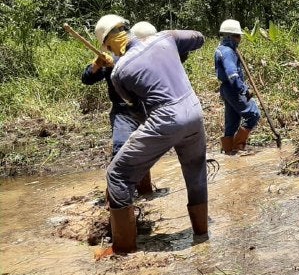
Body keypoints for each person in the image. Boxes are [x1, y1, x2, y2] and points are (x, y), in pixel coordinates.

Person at [103, 19, 208, 254]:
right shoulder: (166, 38)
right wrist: (175, 52)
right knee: (195, 173)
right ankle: (202, 235)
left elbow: (136, 107)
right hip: (194, 112)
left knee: (117, 174)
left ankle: (123, 250)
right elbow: (199, 38)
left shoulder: (119, 71)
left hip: (165, 119)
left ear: (110, 46)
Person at [82, 16, 158, 197]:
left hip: (145, 110)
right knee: (121, 148)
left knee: (143, 151)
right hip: (123, 112)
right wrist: (97, 64)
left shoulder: (144, 53)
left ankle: (145, 192)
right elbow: (87, 78)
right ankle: (118, 198)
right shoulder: (109, 57)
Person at [214, 19, 261, 154]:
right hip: (233, 88)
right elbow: (232, 75)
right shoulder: (228, 52)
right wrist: (244, 90)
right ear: (229, 36)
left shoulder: (221, 49)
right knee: (253, 114)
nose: (239, 39)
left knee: (233, 121)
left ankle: (228, 151)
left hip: (226, 89)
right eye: (237, 36)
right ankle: (238, 147)